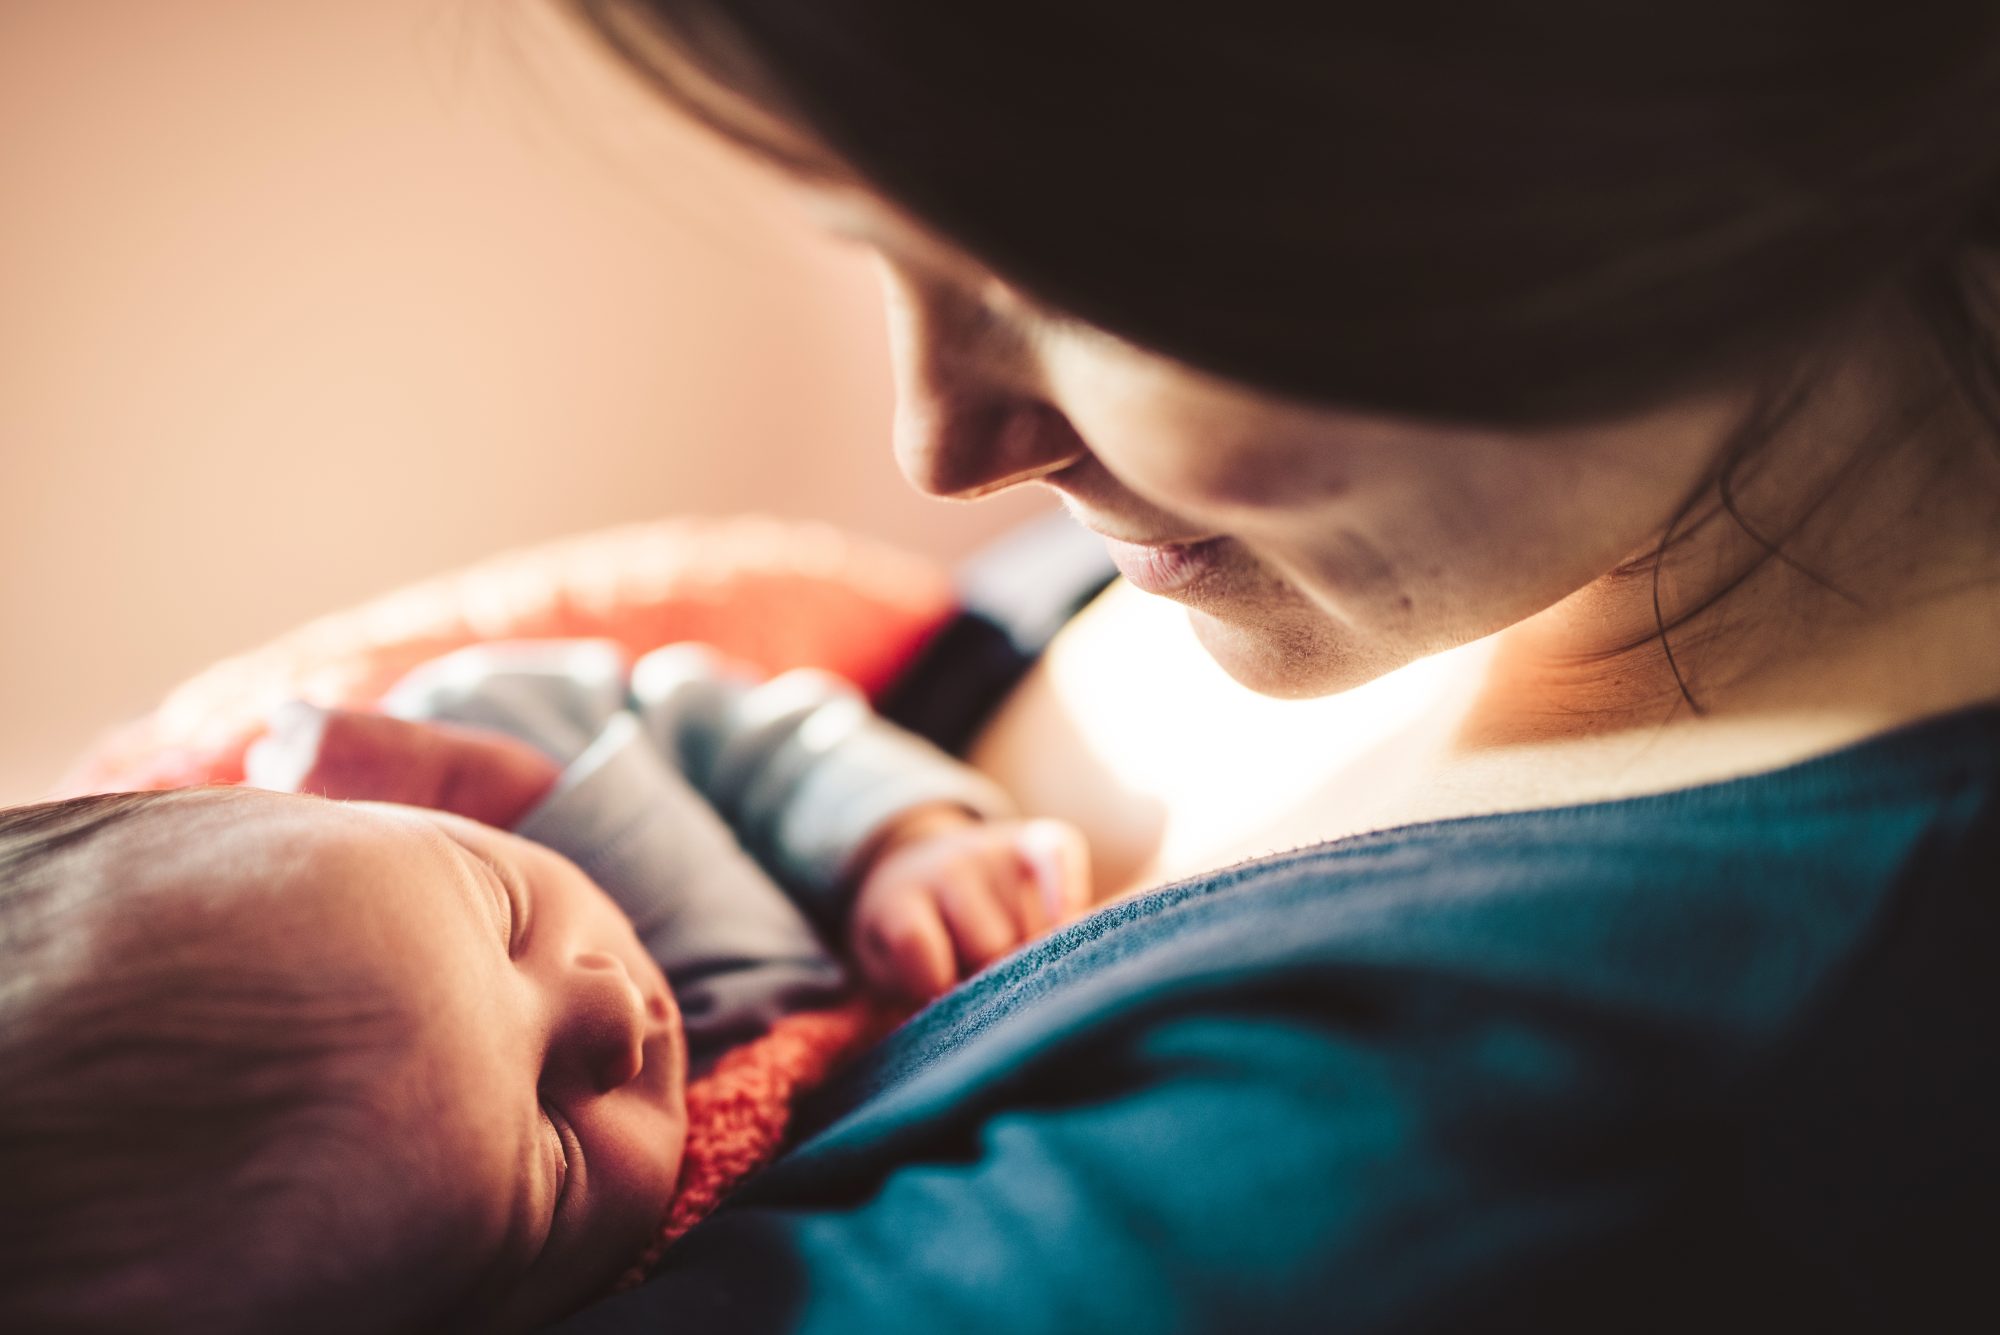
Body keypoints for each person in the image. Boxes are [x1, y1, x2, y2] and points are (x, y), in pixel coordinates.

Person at [0, 640, 1092, 1333]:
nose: (611, 1004)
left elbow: (764, 739)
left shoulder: (482, 748)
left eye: (501, 906)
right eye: (548, 1150)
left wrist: (901, 839)